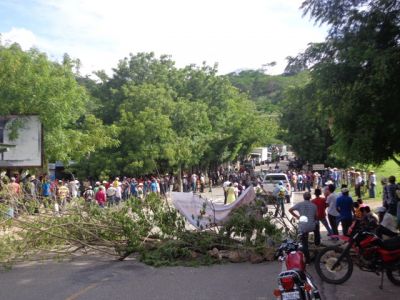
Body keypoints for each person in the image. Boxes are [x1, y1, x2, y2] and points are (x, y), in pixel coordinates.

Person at [289, 192, 317, 263]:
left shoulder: (300, 204)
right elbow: (316, 217)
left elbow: (290, 210)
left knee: (304, 243)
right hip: (312, 226)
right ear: (310, 197)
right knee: (316, 225)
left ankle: (307, 260)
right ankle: (317, 241)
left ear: (304, 197)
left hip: (303, 226)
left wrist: (297, 216)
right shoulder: (314, 205)